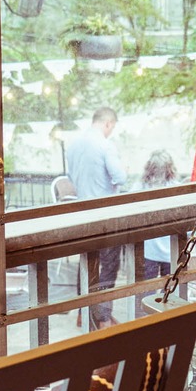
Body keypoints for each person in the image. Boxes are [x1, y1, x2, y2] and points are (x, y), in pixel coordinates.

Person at [65, 107, 127, 330]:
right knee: (109, 264)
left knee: (86, 261)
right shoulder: (105, 145)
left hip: (83, 212)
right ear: (108, 123)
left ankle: (83, 311)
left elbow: (71, 177)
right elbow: (120, 176)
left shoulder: (73, 144)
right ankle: (103, 318)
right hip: (106, 214)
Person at [140, 150, 178, 280]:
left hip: (149, 250)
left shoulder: (141, 187)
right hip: (171, 249)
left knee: (146, 289)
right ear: (170, 168)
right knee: (170, 288)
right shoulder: (176, 188)